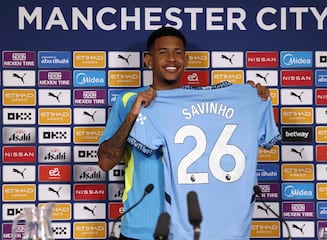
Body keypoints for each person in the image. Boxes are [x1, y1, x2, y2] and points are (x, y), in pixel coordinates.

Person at [97, 26, 270, 240]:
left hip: (191, 229)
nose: (171, 59)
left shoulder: (205, 104)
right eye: (163, 52)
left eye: (178, 52)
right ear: (148, 61)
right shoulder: (128, 100)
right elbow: (105, 162)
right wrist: (133, 114)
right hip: (141, 228)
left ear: (186, 60)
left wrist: (252, 98)